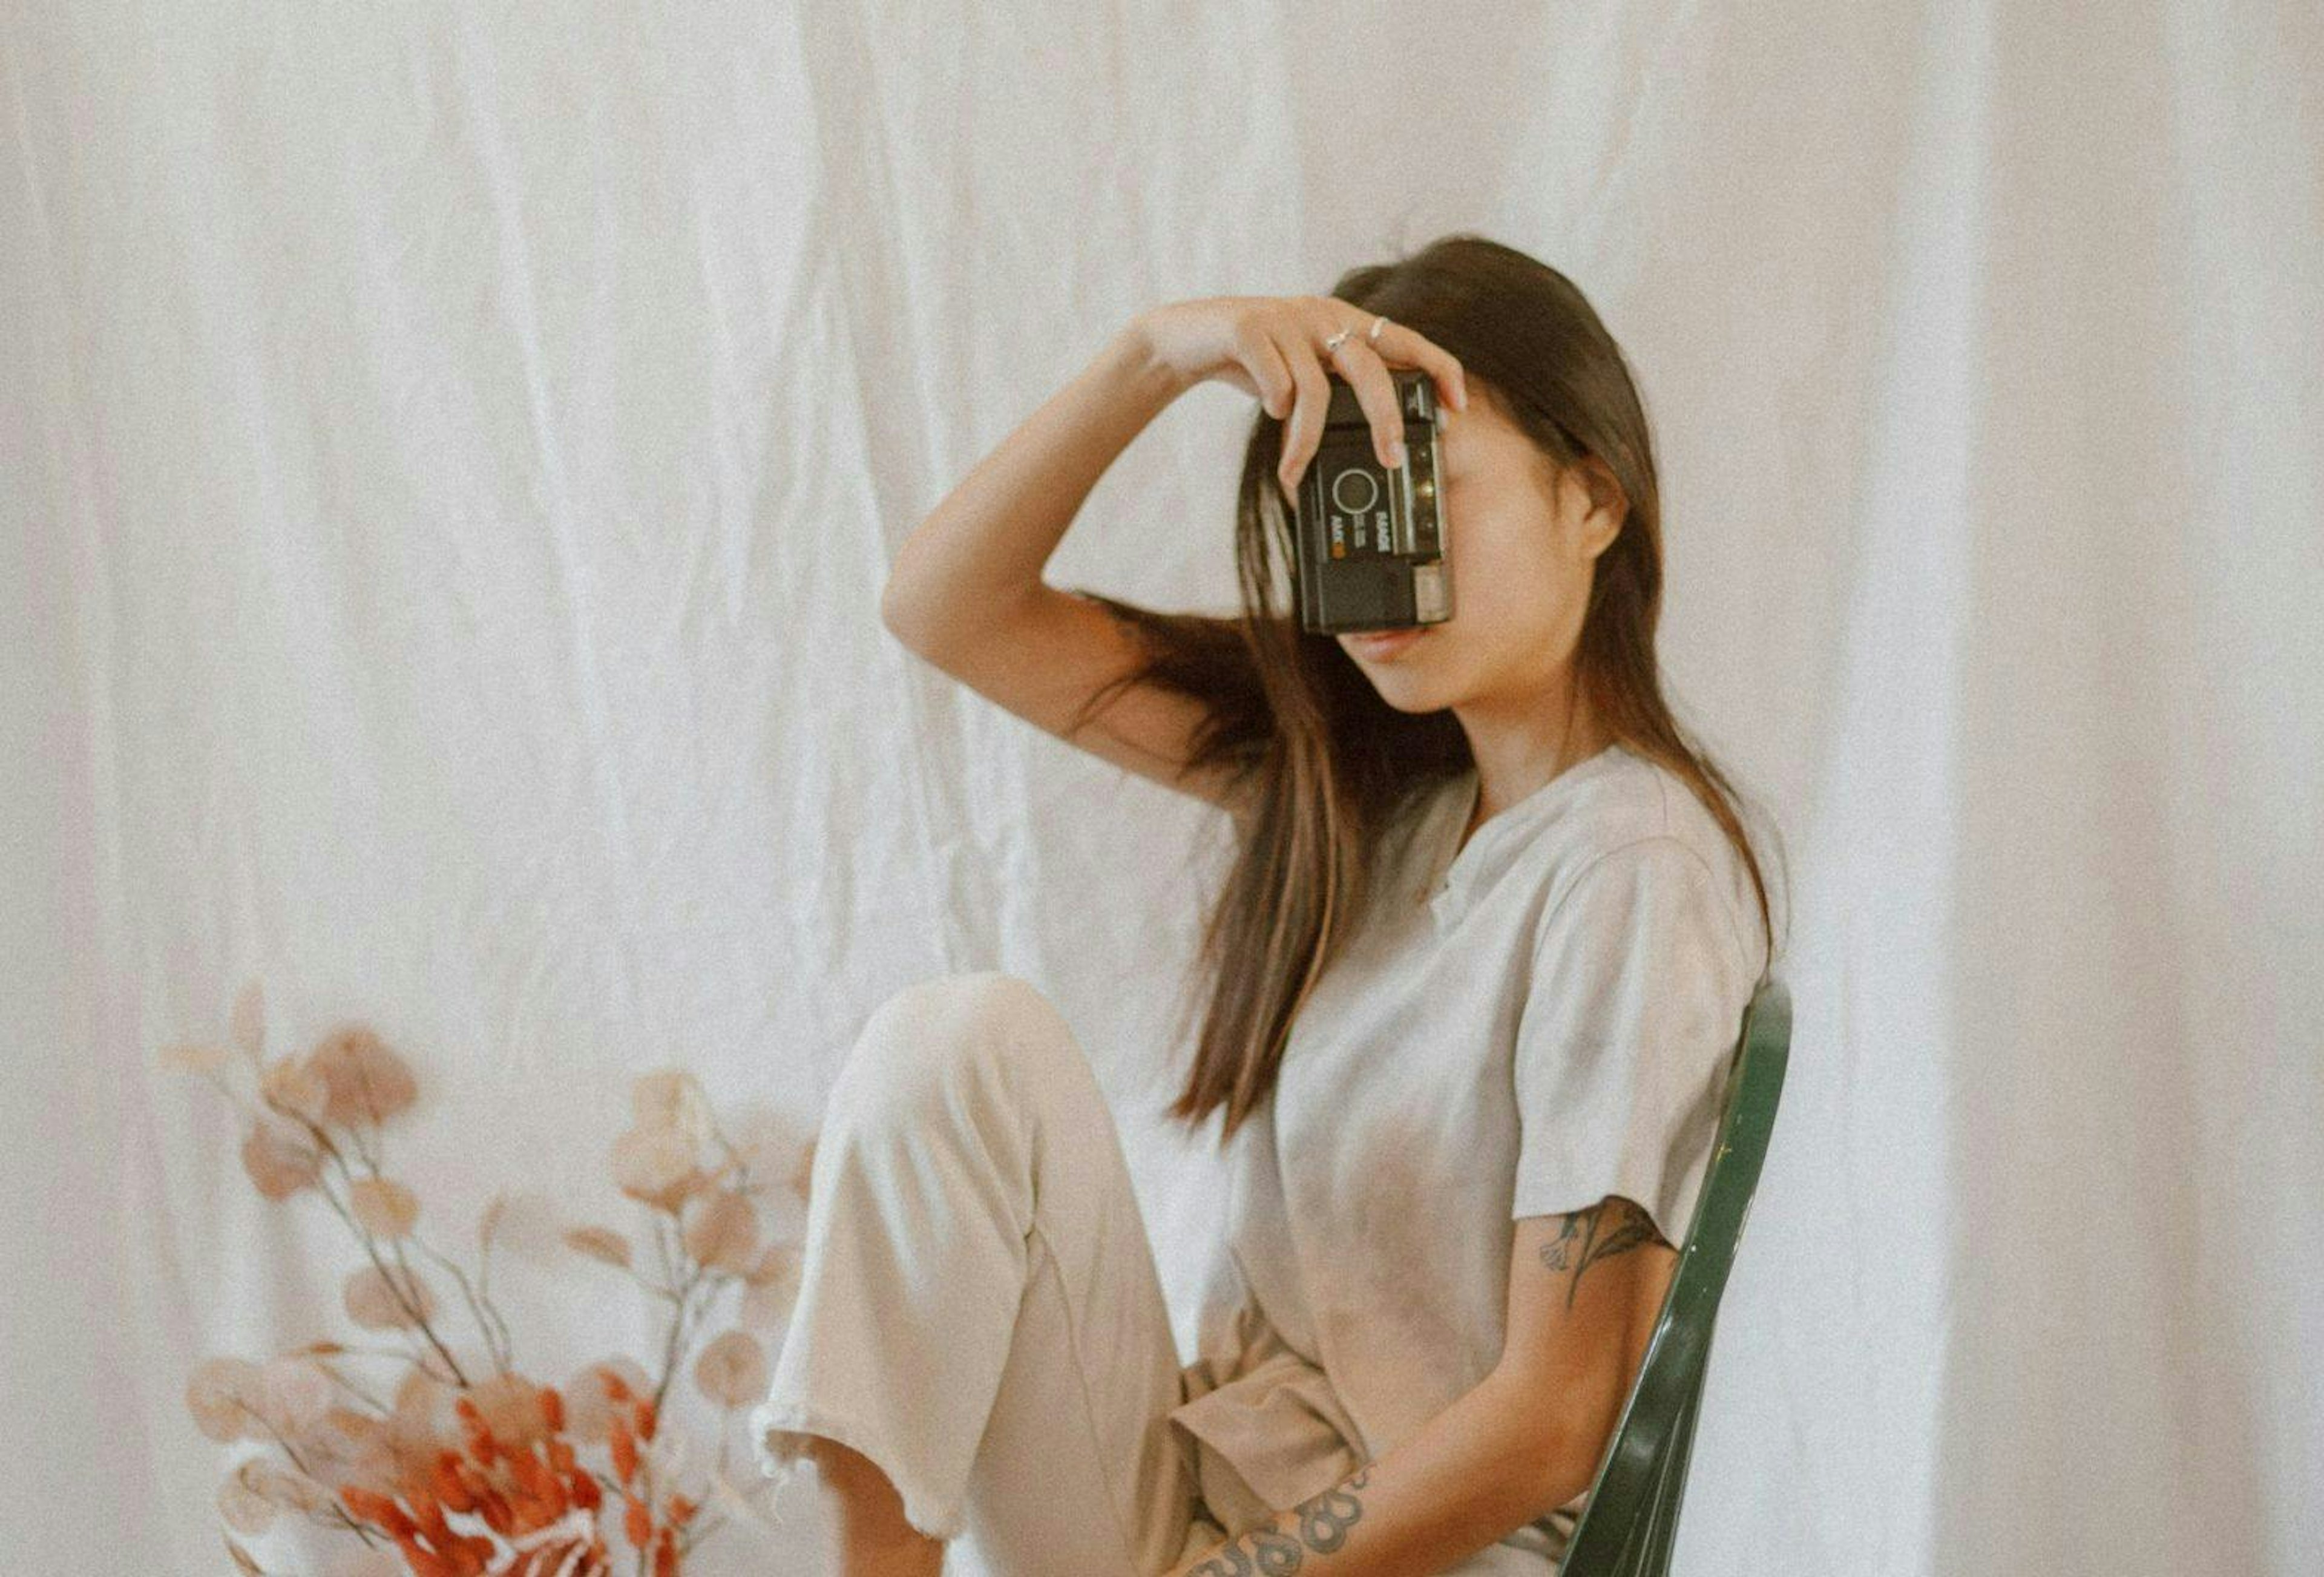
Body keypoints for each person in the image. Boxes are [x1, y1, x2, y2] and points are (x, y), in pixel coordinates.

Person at [749, 233, 1785, 1576]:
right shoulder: (1371, 799)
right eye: (1335, 498)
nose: (1375, 552)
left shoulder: (1630, 864)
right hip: (1213, 1499)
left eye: (1422, 484)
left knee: (964, 1043)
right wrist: (1156, 355)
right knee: (956, 1049)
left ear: (1592, 502)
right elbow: (944, 607)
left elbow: (1555, 1421)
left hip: (1417, 1563)